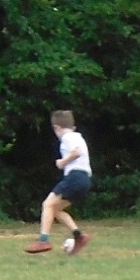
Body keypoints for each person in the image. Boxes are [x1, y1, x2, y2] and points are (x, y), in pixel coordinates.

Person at [24, 109, 92, 255]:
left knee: (47, 204)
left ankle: (43, 240)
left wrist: (62, 162)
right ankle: (79, 236)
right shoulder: (78, 137)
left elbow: (77, 152)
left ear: (56, 127)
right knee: (55, 209)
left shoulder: (67, 137)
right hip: (85, 179)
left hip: (75, 176)